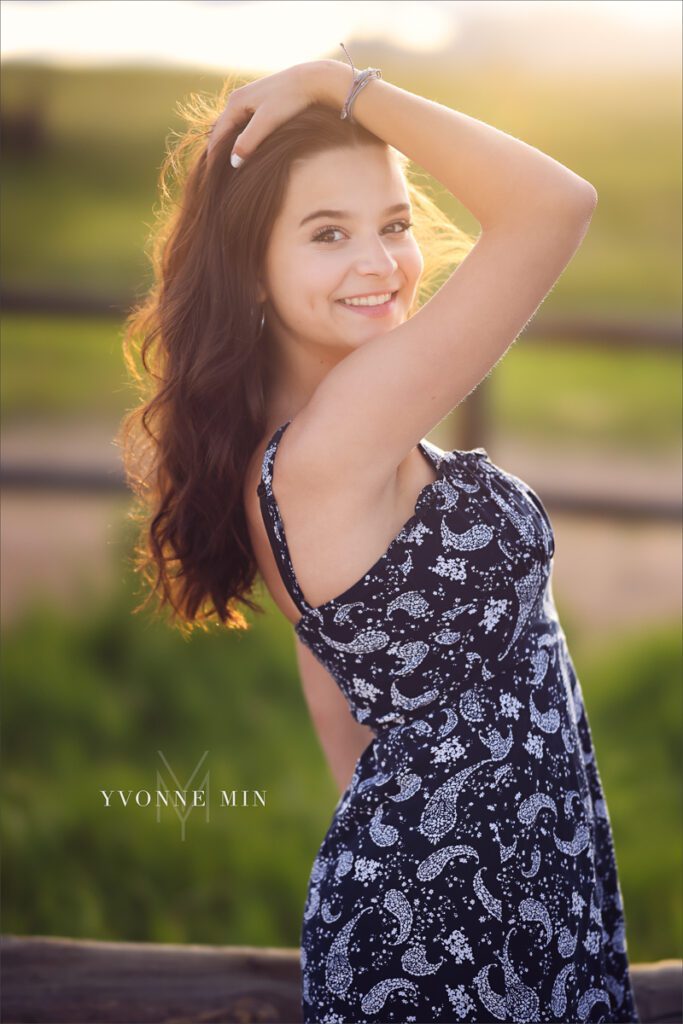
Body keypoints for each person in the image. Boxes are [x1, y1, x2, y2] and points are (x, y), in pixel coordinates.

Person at [117, 50, 640, 1024]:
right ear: (253, 270)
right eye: (327, 234)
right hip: (448, 944)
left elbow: (349, 727)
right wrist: (340, 84)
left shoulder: (290, 448)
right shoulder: (338, 437)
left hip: (463, 915)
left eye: (394, 224)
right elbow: (553, 206)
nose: (382, 263)